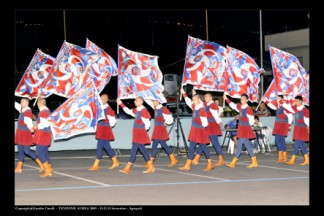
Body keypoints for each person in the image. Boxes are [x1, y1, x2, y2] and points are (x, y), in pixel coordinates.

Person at [116, 97, 155, 174]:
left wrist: (144, 130)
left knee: (134, 149)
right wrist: (120, 103)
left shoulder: (144, 111)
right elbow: (128, 111)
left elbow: (147, 123)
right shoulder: (137, 110)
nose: (134, 101)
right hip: (136, 132)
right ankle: (151, 167)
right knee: (142, 149)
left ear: (141, 102)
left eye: (136, 100)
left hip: (140, 132)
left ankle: (128, 167)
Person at [179, 88, 212, 171]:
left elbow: (205, 123)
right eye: (193, 99)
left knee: (204, 147)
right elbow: (188, 101)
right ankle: (188, 165)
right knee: (191, 148)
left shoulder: (201, 110)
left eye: (195, 99)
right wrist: (184, 93)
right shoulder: (194, 107)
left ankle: (210, 164)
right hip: (194, 130)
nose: (193, 101)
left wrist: (199, 127)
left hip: (200, 131)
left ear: (199, 100)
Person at [224, 93, 258, 168]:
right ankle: (254, 161)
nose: (242, 100)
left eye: (243, 99)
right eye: (241, 98)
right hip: (241, 128)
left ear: (247, 100)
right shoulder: (241, 107)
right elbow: (233, 106)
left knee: (239, 145)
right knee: (247, 145)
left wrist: (247, 125)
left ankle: (233, 162)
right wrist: (226, 98)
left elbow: (252, 121)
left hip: (245, 128)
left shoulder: (248, 109)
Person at [191, 90, 225, 167]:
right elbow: (198, 101)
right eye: (205, 97)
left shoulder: (212, 105)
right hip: (206, 125)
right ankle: (196, 158)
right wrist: (194, 94)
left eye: (206, 97)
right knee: (202, 141)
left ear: (211, 97)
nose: (205, 98)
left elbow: (216, 116)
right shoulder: (205, 104)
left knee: (215, 143)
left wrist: (218, 123)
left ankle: (221, 159)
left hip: (212, 126)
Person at [88, 94, 119, 171]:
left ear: (106, 100)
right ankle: (115, 162)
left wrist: (106, 126)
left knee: (99, 146)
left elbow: (113, 122)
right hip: (100, 129)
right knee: (107, 147)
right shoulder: (99, 108)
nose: (101, 100)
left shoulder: (109, 110)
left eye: (102, 98)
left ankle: (96, 164)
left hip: (105, 129)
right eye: (100, 98)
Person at [145, 99, 178, 167]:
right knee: (158, 145)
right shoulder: (156, 107)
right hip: (157, 129)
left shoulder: (163, 109)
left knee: (160, 145)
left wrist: (166, 122)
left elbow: (170, 119)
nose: (152, 102)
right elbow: (148, 102)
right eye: (152, 101)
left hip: (160, 129)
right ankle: (173, 159)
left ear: (158, 101)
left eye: (154, 101)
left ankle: (151, 161)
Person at [14, 98, 43, 173]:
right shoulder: (22, 109)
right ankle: (19, 167)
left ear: (27, 103)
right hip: (20, 132)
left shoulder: (27, 111)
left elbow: (28, 122)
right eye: (21, 102)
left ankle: (41, 165)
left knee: (27, 151)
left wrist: (31, 129)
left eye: (22, 102)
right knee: (20, 150)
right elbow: (16, 105)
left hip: (25, 133)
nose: (21, 103)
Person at [263, 95, 292, 163]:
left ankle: (282, 157)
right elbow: (272, 106)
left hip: (282, 125)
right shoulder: (277, 105)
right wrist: (265, 100)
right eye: (277, 98)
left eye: (278, 98)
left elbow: (290, 115)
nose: (277, 99)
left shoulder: (285, 105)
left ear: (282, 98)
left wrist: (289, 125)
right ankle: (283, 157)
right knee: (281, 140)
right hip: (278, 124)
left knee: (278, 140)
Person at [283, 95, 309, 166]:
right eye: (295, 101)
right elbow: (288, 108)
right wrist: (282, 102)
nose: (296, 102)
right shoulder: (295, 108)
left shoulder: (305, 110)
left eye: (297, 101)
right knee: (301, 144)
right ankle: (307, 159)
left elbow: (307, 120)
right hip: (297, 128)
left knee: (297, 143)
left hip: (303, 128)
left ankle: (293, 159)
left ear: (301, 101)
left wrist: (308, 127)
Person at [32, 98, 53, 177]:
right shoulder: (47, 110)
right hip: (46, 133)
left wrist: (36, 126)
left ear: (38, 104)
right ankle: (49, 168)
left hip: (43, 134)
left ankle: (47, 169)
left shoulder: (43, 112)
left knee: (38, 152)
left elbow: (45, 123)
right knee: (44, 152)